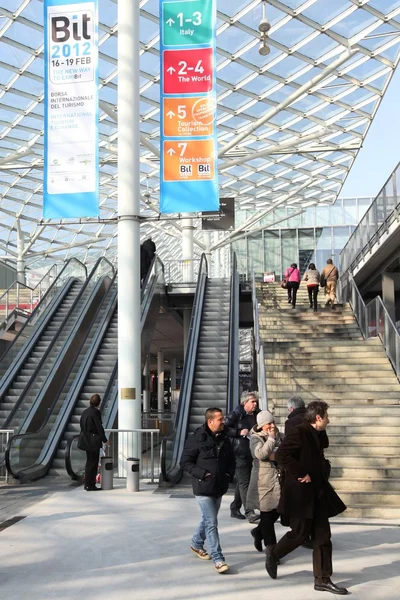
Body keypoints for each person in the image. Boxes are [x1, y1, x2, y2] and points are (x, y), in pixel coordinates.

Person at [265, 401, 349, 596]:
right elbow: (282, 456)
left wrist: (321, 431)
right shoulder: (298, 431)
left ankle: (322, 579)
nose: (329, 420)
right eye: (326, 417)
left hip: (318, 492)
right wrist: (301, 472)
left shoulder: (316, 433)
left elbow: (323, 445)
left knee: (323, 537)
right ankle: (274, 554)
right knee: (299, 534)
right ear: (318, 417)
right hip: (301, 493)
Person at [180, 407, 235, 574]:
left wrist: (227, 475)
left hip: (219, 486)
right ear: (210, 421)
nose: (223, 421)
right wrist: (203, 474)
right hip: (202, 487)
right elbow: (185, 462)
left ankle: (196, 543)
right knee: (212, 523)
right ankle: (218, 559)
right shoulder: (197, 438)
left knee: (208, 519)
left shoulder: (225, 437)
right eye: (220, 419)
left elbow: (231, 459)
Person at [246, 411, 282, 560]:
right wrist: (271, 439)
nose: (272, 426)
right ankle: (271, 551)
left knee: (278, 509)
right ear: (262, 425)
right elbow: (260, 454)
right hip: (263, 480)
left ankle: (258, 532)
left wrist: (274, 447)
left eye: (273, 422)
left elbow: (281, 451)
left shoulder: (278, 434)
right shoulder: (255, 438)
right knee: (267, 515)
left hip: (278, 478)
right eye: (269, 423)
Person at [225, 391, 260, 523]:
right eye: (252, 401)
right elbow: (224, 428)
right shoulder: (236, 414)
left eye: (256, 401)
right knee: (245, 482)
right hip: (241, 452)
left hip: (254, 452)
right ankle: (249, 512)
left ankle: (234, 507)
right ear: (245, 403)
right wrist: (239, 432)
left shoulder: (258, 414)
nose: (255, 404)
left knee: (242, 481)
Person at [79, 394, 108, 491]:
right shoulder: (96, 413)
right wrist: (105, 439)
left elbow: (82, 425)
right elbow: (99, 427)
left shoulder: (85, 412)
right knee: (94, 462)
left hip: (86, 439)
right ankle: (91, 484)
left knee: (89, 462)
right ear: (98, 403)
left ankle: (87, 483)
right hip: (93, 441)